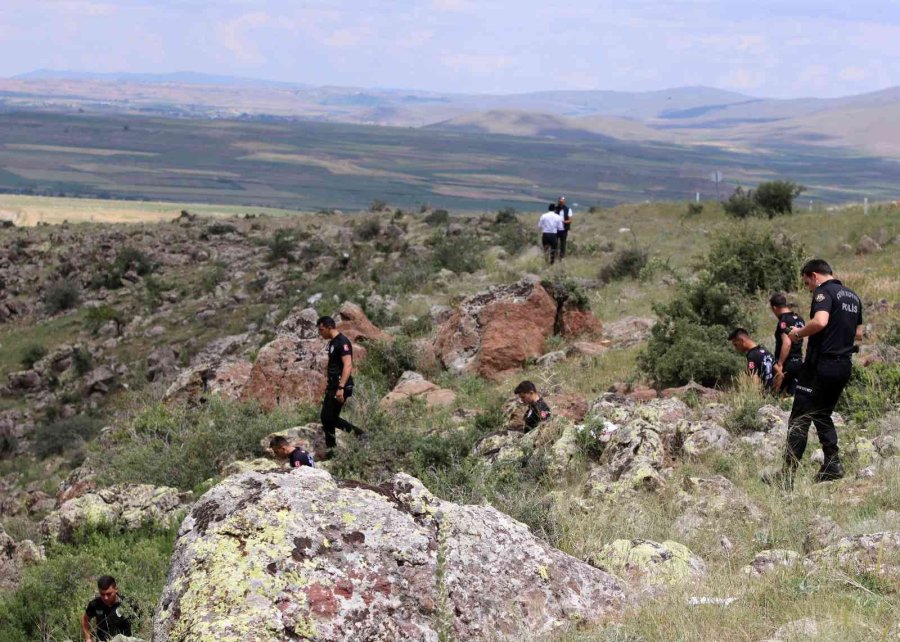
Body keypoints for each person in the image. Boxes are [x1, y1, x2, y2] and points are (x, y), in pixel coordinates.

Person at [765, 259, 863, 489]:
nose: (809, 287)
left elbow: (820, 321)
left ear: (814, 275)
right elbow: (858, 334)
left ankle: (786, 478)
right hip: (843, 365)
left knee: (799, 418)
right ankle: (832, 463)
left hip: (820, 365)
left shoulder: (823, 292)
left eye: (807, 282)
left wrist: (798, 334)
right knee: (822, 413)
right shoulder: (852, 296)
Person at [317, 316, 364, 456]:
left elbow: (348, 365)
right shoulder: (332, 343)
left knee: (327, 417)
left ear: (329, 327)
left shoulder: (342, 342)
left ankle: (360, 434)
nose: (320, 333)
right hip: (333, 385)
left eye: (321, 329)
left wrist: (341, 387)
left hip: (340, 386)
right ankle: (332, 451)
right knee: (328, 418)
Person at [81, 576, 139, 642]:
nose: (106, 598)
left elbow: (142, 620)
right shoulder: (95, 604)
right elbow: (85, 619)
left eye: (109, 594)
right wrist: (88, 638)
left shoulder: (127, 603)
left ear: (116, 589)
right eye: (102, 594)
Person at [769, 293, 805, 394]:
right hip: (798, 361)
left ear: (774, 307)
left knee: (776, 395)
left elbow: (787, 343)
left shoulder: (784, 321)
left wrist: (780, 363)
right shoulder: (799, 319)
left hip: (787, 363)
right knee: (792, 396)